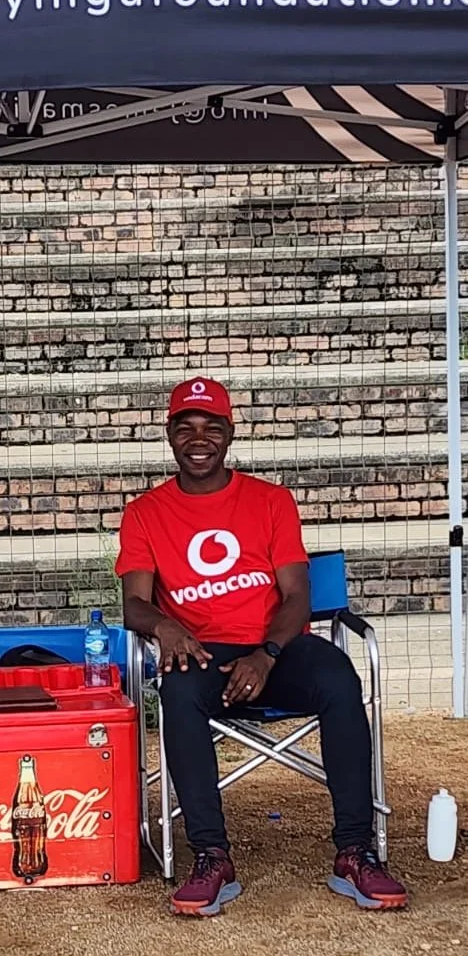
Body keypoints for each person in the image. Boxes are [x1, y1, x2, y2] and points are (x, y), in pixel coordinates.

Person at [117, 376, 407, 917]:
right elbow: (134, 603)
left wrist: (267, 654)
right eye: (186, 427)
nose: (198, 439)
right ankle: (211, 855)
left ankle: (355, 850)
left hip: (277, 649)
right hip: (202, 653)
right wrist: (165, 626)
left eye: (211, 427)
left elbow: (297, 596)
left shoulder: (271, 501)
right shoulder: (145, 514)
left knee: (339, 676)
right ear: (169, 435)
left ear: (229, 434)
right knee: (177, 691)